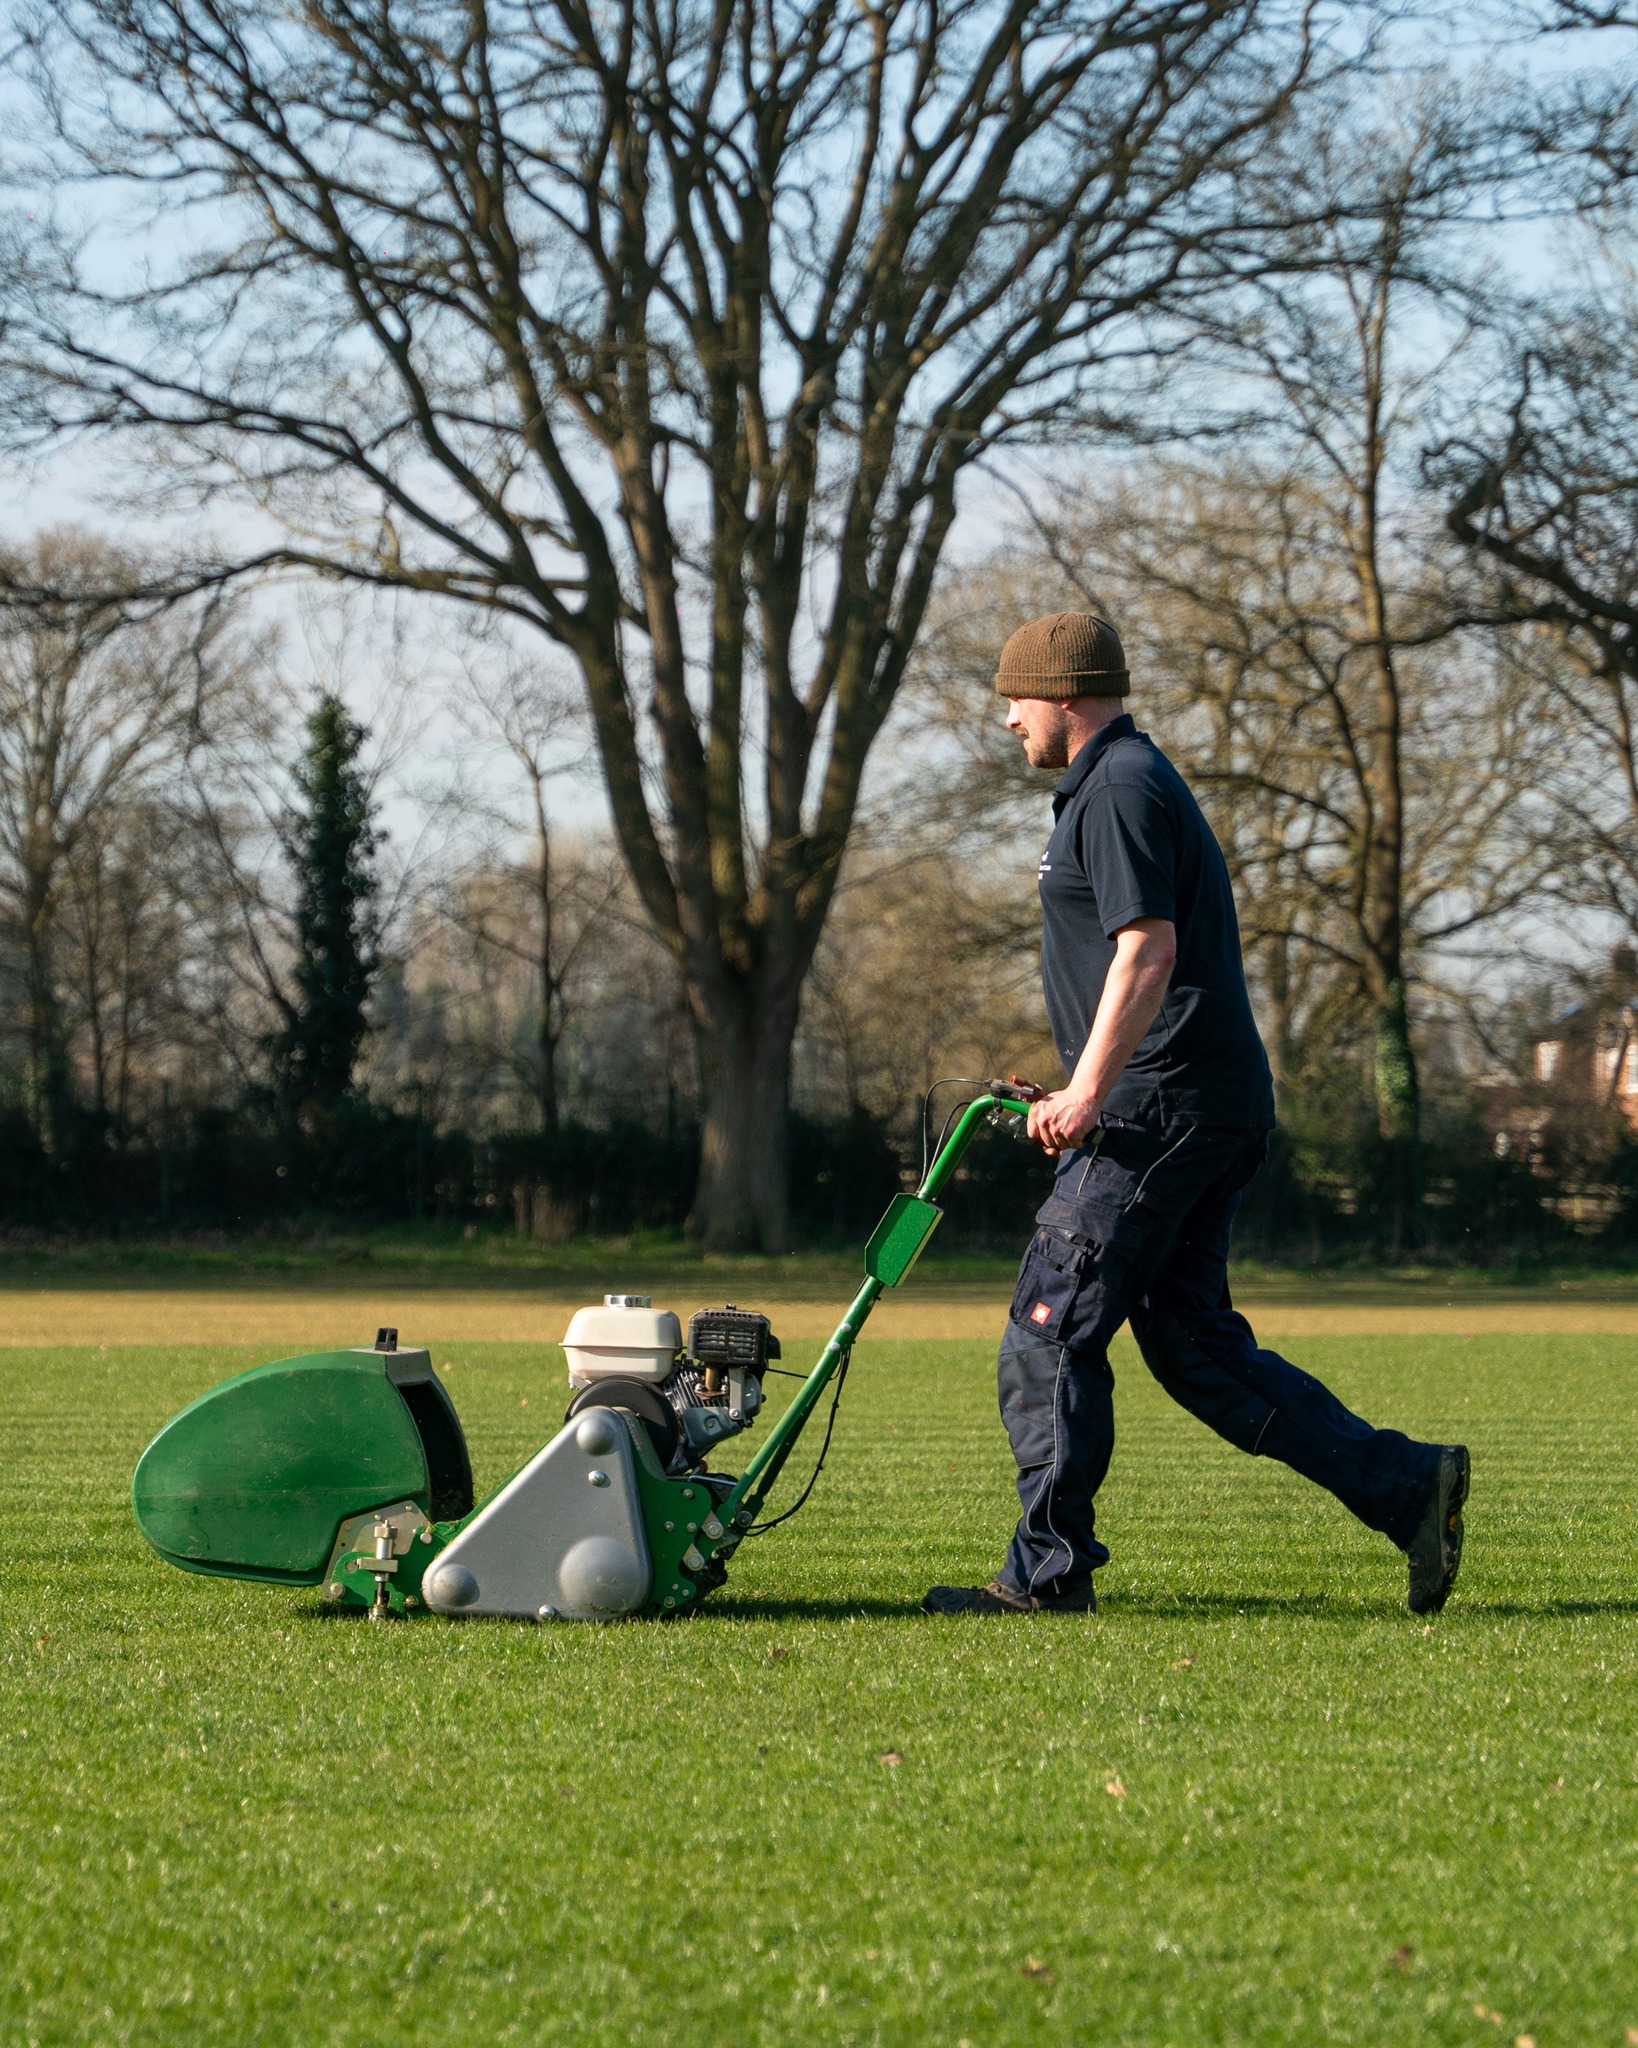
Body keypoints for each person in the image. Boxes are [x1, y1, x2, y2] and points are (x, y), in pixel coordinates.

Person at [922, 612, 1468, 1618]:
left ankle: (1047, 1576)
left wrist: (1091, 1092)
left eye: (1016, 697)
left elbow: (1149, 950)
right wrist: (1081, 1078)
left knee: (1048, 1326)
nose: (1008, 719)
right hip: (1193, 1100)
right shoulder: (1120, 783)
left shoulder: (1120, 785)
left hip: (1157, 1108)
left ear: (1067, 693)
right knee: (1197, 1349)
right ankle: (1407, 1485)